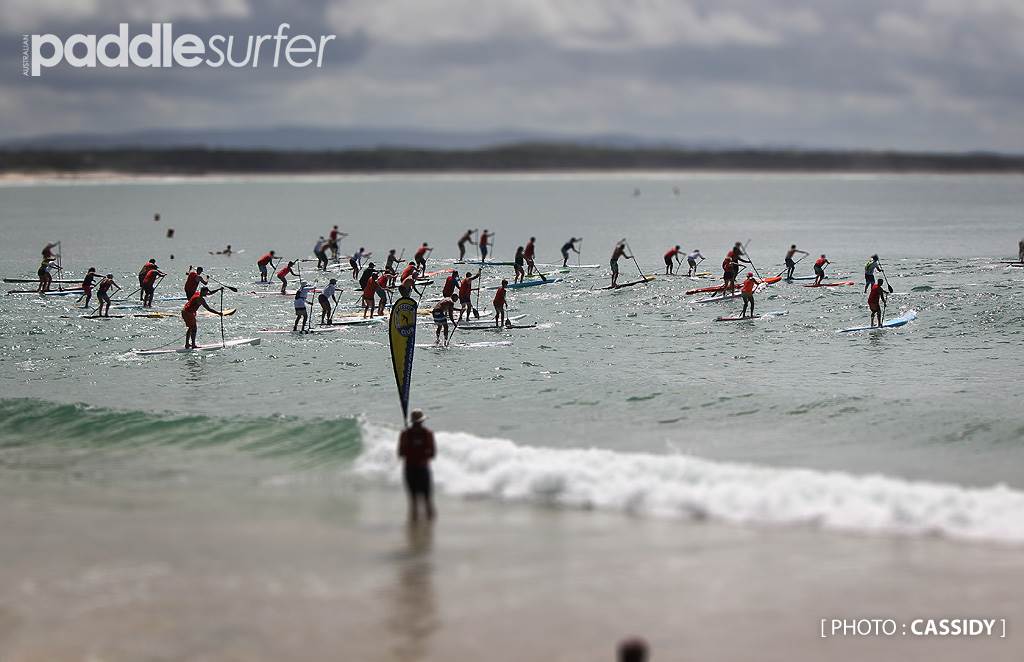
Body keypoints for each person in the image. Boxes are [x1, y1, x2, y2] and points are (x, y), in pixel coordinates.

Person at [397, 409, 436, 522]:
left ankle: (415, 526)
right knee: (427, 501)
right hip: (422, 469)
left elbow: (401, 454)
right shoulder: (427, 434)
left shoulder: (405, 434)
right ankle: (429, 527)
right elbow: (432, 454)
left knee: (414, 501)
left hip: (410, 469)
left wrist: (410, 446)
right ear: (422, 421)